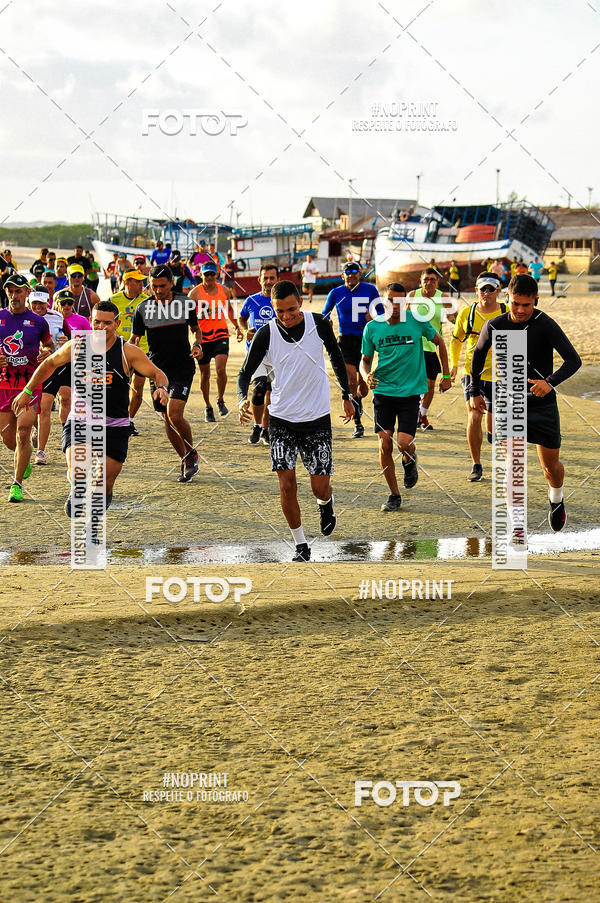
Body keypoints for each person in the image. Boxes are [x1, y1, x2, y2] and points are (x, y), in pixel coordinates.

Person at [13, 301, 171, 517]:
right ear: (90, 322)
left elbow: (156, 373)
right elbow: (49, 364)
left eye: (107, 323)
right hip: (80, 420)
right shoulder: (77, 345)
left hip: (115, 425)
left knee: (104, 483)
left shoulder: (128, 352)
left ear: (117, 324)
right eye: (97, 322)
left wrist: (161, 387)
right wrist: (28, 391)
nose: (101, 327)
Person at [238, 280, 354, 562]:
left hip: (316, 419)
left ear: (300, 302)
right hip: (281, 420)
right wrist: (242, 398)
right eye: (280, 311)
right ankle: (301, 544)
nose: (286, 316)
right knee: (287, 485)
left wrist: (346, 395)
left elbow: (337, 359)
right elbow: (245, 373)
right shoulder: (266, 333)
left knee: (319, 486)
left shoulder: (319, 324)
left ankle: (326, 503)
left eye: (291, 309)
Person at [469, 273, 582, 533]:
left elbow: (573, 360)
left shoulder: (545, 324)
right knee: (514, 463)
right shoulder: (495, 325)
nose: (520, 310)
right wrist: (474, 390)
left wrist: (550, 382)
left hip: (542, 405)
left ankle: (556, 500)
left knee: (550, 467)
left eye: (526, 305)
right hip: (510, 403)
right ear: (507, 297)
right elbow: (477, 355)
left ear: (536, 301)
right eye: (515, 303)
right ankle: (517, 526)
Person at [360, 283, 451, 511]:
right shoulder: (372, 327)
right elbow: (365, 360)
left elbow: (440, 342)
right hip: (383, 392)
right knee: (384, 444)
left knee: (403, 444)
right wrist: (366, 375)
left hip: (410, 393)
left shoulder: (417, 321)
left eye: (399, 301)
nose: (395, 305)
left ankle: (410, 458)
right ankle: (394, 494)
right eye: (390, 300)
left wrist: (447, 374)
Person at [131, 265, 203, 482]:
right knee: (167, 419)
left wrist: (198, 344)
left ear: (171, 283)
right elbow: (135, 339)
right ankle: (186, 459)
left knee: (174, 414)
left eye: (162, 286)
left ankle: (191, 452)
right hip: (157, 370)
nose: (158, 291)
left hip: (182, 366)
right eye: (154, 286)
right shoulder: (143, 308)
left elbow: (195, 329)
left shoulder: (185, 304)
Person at [0, 273, 54, 501]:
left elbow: (50, 346)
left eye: (18, 290)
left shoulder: (38, 322)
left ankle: (17, 484)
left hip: (29, 385)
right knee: (7, 437)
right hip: (3, 383)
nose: (14, 295)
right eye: (10, 291)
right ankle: (24, 457)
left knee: (23, 433)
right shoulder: (0, 317)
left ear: (27, 293)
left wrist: (47, 353)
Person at [449, 272, 507, 481]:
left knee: (495, 424)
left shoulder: (508, 312)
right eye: (483, 288)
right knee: (474, 416)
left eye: (491, 289)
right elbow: (456, 341)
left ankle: (493, 438)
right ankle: (477, 464)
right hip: (473, 374)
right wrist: (453, 366)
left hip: (501, 376)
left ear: (498, 291)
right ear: (476, 291)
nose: (487, 293)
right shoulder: (467, 313)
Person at [321, 261, 380, 438]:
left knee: (363, 387)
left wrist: (374, 317)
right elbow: (324, 313)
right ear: (343, 275)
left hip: (365, 339)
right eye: (348, 271)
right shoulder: (336, 293)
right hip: (345, 340)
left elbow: (383, 313)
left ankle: (358, 401)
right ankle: (358, 424)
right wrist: (327, 322)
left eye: (355, 271)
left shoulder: (371, 290)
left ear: (360, 273)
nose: (352, 274)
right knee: (351, 382)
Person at [189, 261, 242, 421]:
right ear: (201, 275)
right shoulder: (194, 294)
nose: (210, 277)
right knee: (205, 374)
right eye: (207, 274)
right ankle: (208, 407)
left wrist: (237, 327)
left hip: (221, 334)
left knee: (220, 369)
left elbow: (230, 310)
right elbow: (188, 318)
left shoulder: (224, 290)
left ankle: (220, 400)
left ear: (216, 274)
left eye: (212, 274)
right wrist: (198, 318)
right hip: (202, 337)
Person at [408, 268, 455, 430]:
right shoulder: (413, 296)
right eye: (426, 279)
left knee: (429, 385)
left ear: (438, 282)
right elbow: (403, 319)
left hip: (432, 346)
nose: (429, 282)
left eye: (432, 279)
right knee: (414, 384)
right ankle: (413, 415)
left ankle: (422, 415)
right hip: (412, 347)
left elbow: (454, 319)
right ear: (420, 281)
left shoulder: (443, 298)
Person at [28, 288, 69, 465]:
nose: (37, 307)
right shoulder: (22, 317)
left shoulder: (57, 317)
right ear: (29, 303)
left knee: (55, 403)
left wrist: (66, 340)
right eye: (34, 303)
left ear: (48, 303)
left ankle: (47, 448)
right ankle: (38, 442)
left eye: (41, 303)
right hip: (34, 368)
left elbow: (67, 335)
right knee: (39, 409)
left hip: (56, 365)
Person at [238, 264, 278, 445]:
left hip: (277, 353)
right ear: (259, 279)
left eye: (272, 278)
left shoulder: (282, 300)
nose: (268, 282)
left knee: (273, 392)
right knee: (260, 388)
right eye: (266, 278)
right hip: (256, 354)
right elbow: (241, 317)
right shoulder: (251, 300)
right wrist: (244, 330)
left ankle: (265, 428)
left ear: (277, 279)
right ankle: (256, 425)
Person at [111, 269, 150, 437]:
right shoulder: (114, 300)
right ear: (127, 282)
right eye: (137, 281)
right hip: (119, 350)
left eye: (142, 281)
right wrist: (118, 338)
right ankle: (116, 419)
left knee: (138, 387)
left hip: (143, 350)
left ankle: (129, 420)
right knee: (118, 387)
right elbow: (104, 323)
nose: (141, 284)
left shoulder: (147, 301)